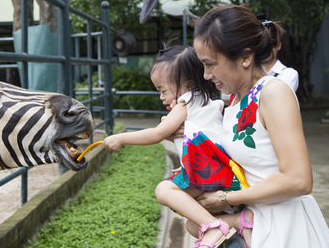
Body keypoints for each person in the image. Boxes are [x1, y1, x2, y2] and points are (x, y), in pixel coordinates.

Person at [188, 4, 329, 248]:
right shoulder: (234, 100)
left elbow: (298, 180)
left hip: (284, 227)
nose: (205, 74)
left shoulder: (273, 92)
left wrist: (225, 199)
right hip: (253, 225)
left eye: (211, 64)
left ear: (245, 57)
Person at [102, 43, 244, 248]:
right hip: (222, 172)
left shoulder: (186, 101)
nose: (161, 98)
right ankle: (241, 222)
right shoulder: (209, 102)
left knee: (164, 190)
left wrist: (121, 138)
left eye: (163, 90)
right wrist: (189, 165)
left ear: (187, 84)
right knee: (192, 227)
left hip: (212, 173)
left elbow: (158, 133)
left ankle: (213, 226)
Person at [257, 14, 299, 92]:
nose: (267, 49)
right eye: (262, 45)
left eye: (272, 44)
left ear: (279, 46)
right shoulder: (248, 73)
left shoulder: (288, 74)